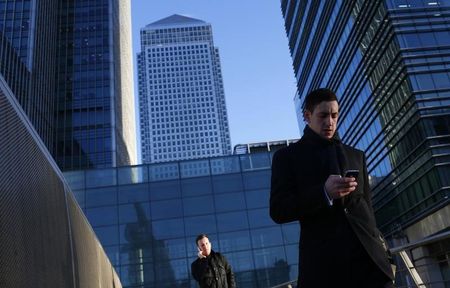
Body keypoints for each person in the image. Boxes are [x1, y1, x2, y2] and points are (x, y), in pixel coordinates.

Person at [270, 88, 395, 288]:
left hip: (370, 264)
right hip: (324, 268)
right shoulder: (287, 157)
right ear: (307, 116)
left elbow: (368, 209)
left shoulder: (356, 155)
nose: (330, 122)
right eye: (323, 115)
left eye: (334, 115)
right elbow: (278, 210)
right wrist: (324, 193)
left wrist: (382, 253)